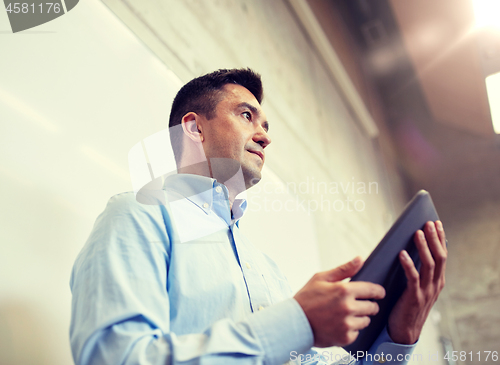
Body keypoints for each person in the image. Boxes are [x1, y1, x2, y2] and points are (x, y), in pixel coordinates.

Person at [70, 68, 447, 365]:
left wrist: (399, 337)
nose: (264, 136)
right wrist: (298, 321)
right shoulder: (137, 216)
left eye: (265, 126)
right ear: (193, 127)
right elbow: (116, 358)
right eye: (247, 116)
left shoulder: (267, 269)